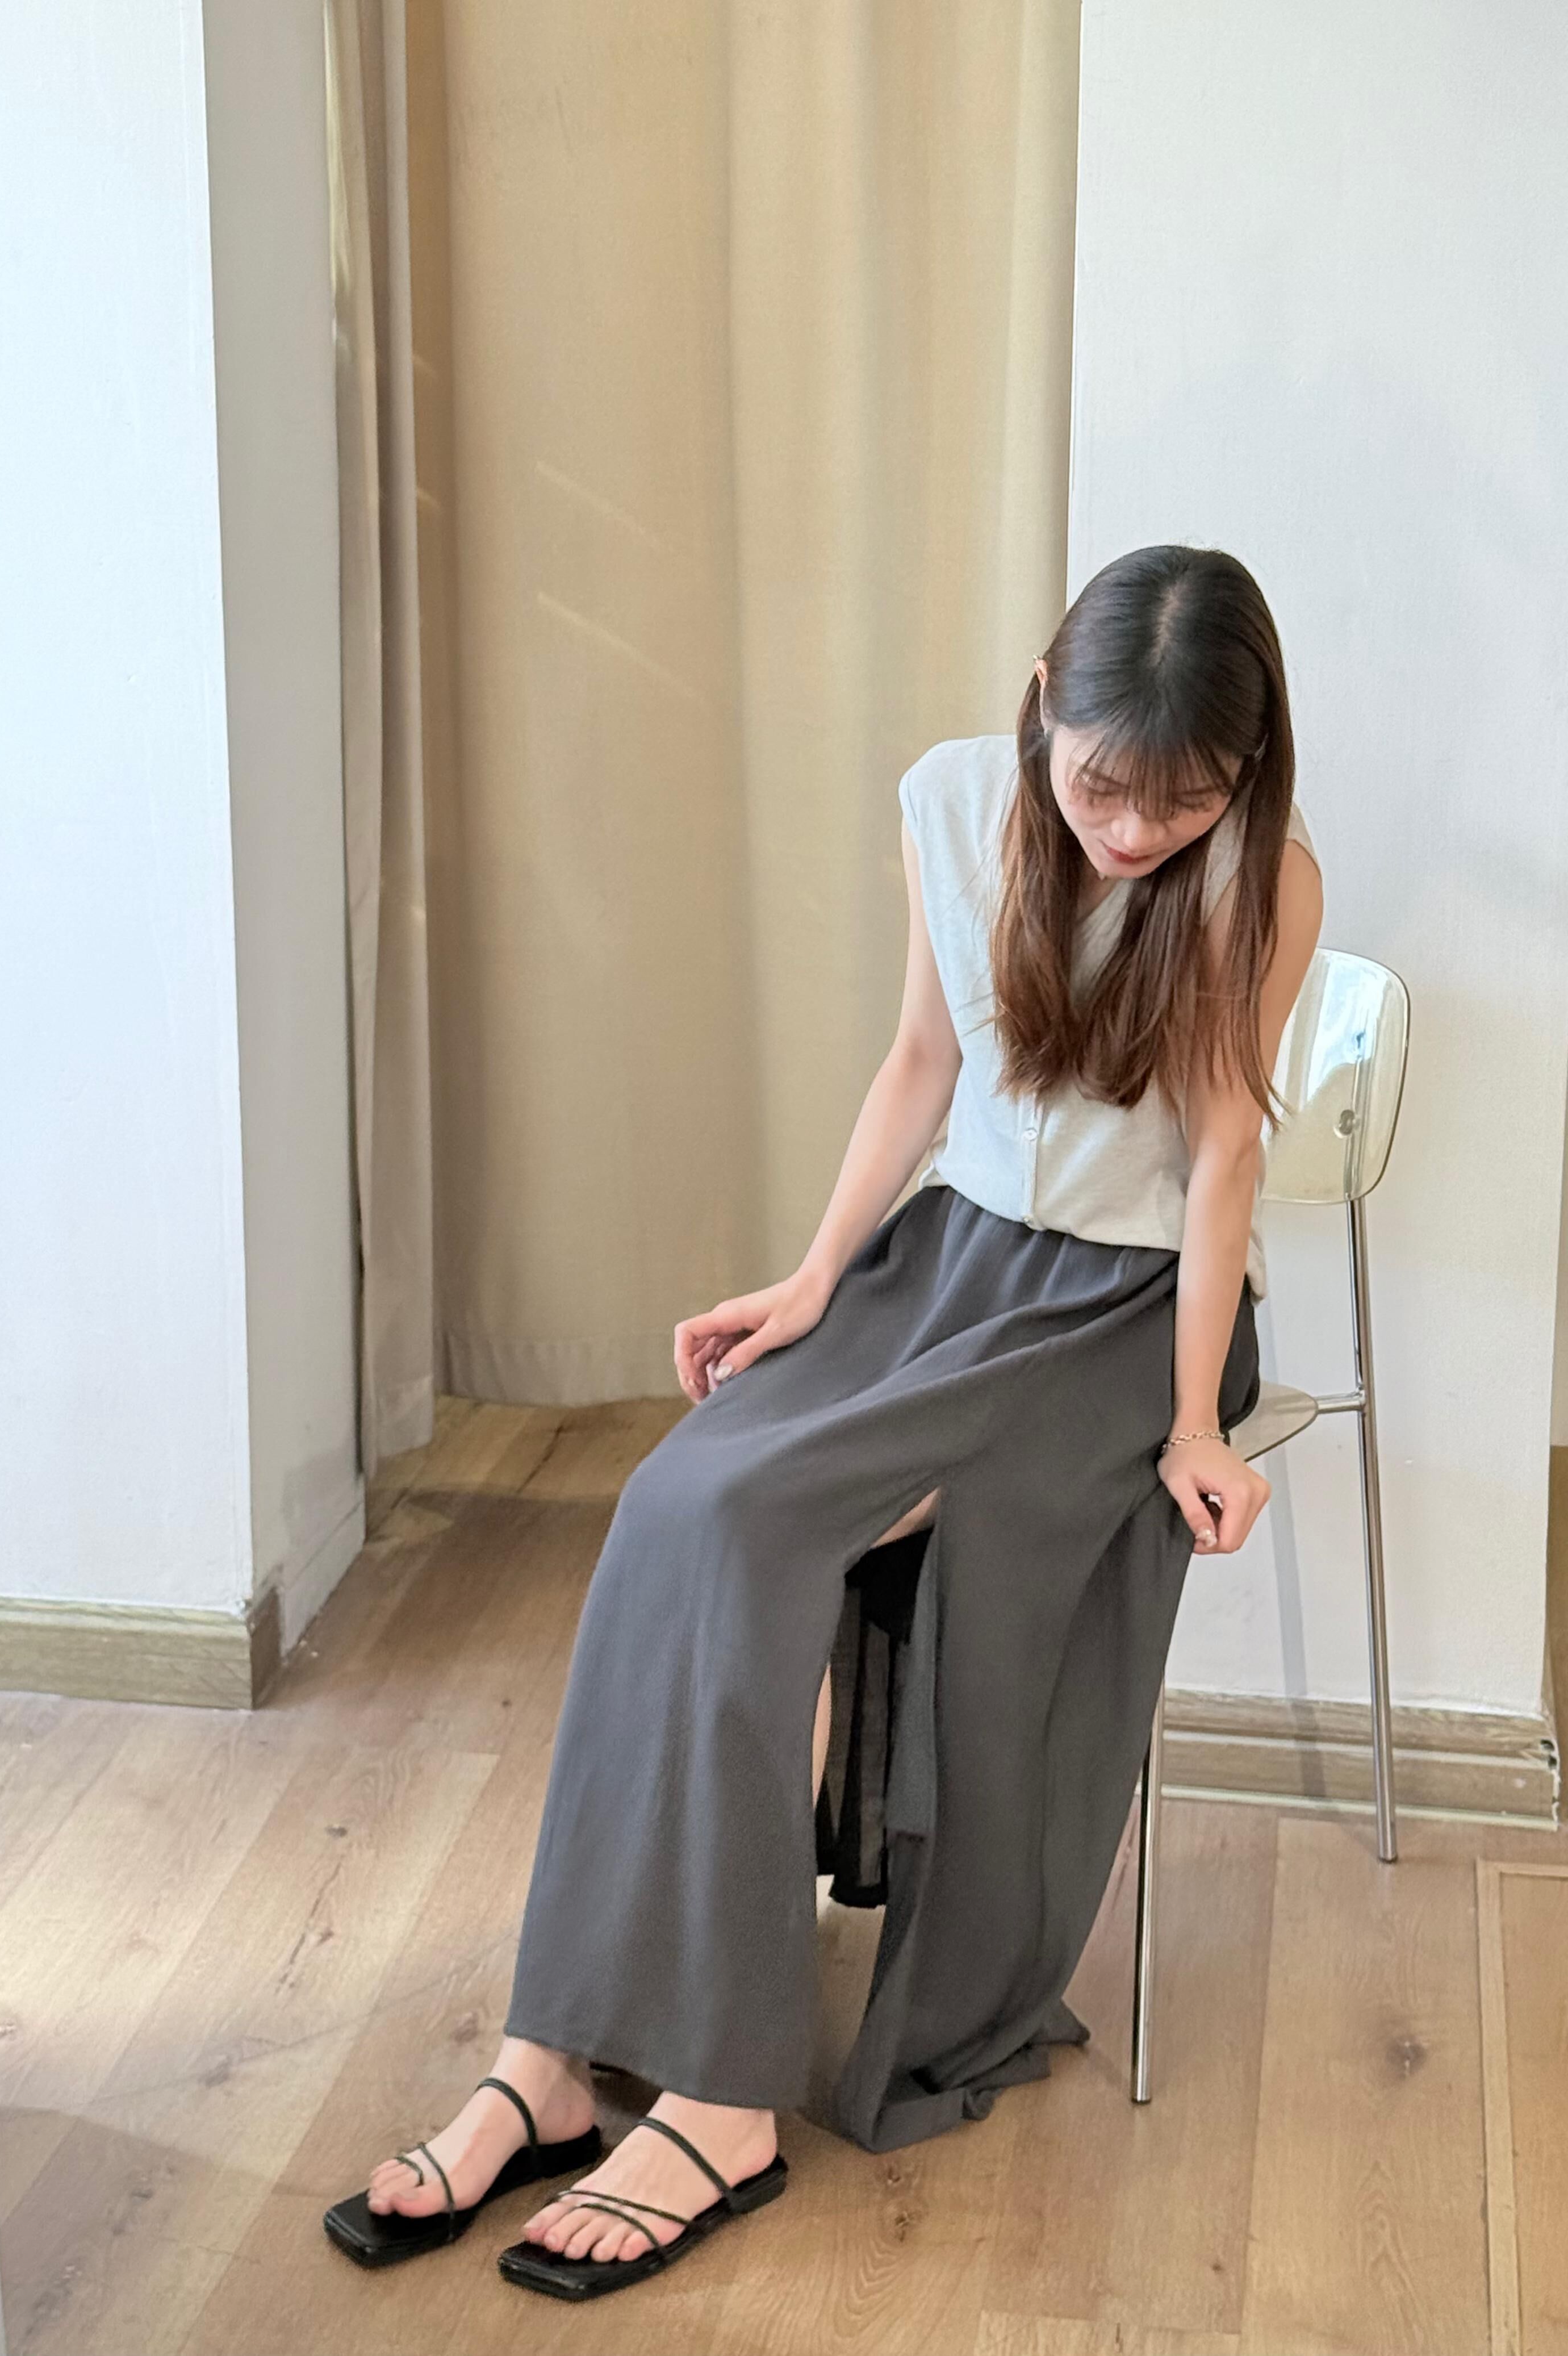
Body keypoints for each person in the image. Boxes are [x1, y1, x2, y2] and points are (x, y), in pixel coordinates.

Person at [323, 543, 1325, 2301]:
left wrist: (1192, 1421)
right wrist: (811, 1280)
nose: (1133, 832)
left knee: (757, 1522)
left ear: (1240, 773)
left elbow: (1225, 1148)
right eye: (1103, 784)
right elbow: (922, 1067)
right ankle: (555, 2049)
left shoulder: (1262, 871)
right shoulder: (956, 803)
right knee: (675, 1500)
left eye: (1181, 799)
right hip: (951, 1260)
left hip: (1125, 1313)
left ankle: (722, 2098)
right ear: (1046, 702)